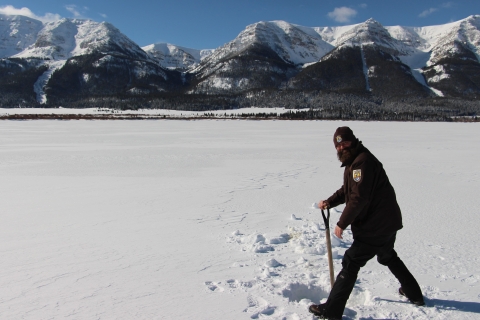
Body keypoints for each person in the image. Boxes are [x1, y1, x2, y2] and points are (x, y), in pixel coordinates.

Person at [309, 127, 424, 320]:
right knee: (388, 256)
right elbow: (348, 190)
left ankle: (331, 311)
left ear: (353, 141)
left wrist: (342, 222)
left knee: (351, 262)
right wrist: (330, 202)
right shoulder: (355, 162)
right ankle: (414, 294)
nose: (341, 147)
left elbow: (358, 198)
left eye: (345, 143)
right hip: (387, 223)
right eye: (338, 145)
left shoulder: (362, 163)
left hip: (376, 226)